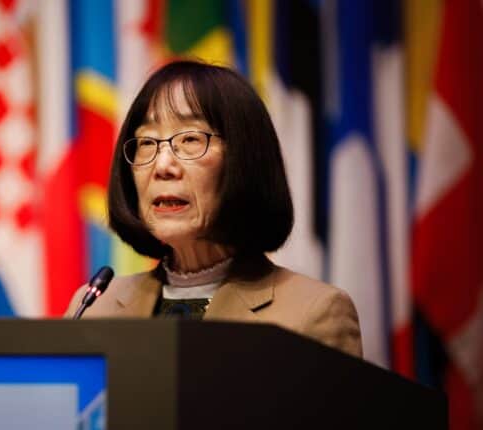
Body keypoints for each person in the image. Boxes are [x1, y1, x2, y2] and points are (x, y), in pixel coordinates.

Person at [64, 60, 362, 358]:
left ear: (245, 160)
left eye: (190, 139)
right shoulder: (94, 307)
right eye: (147, 142)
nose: (163, 165)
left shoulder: (313, 313)